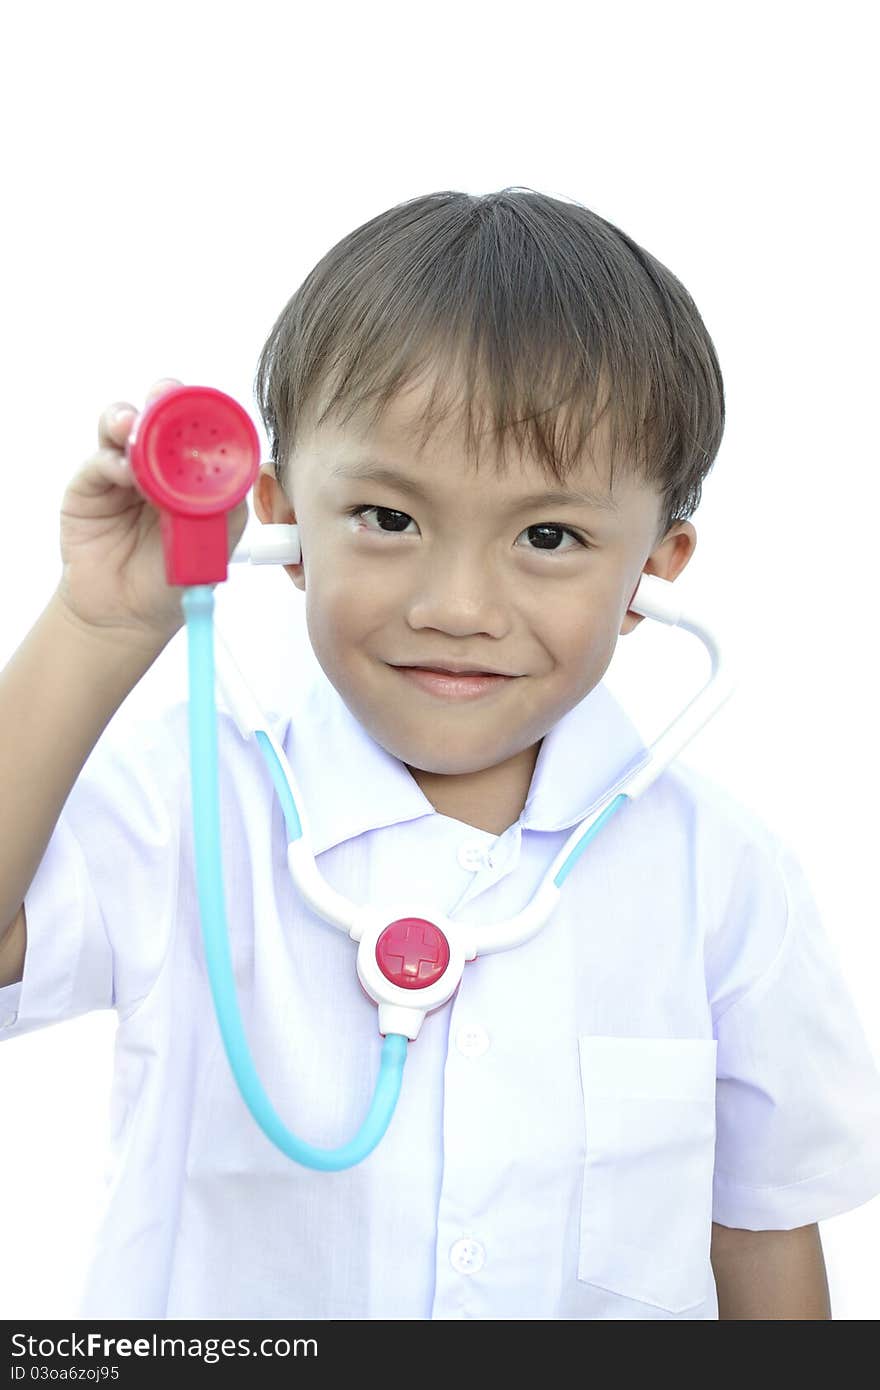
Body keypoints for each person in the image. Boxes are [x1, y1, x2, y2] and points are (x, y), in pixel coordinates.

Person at [2, 187, 879, 1321]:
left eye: (548, 537)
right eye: (387, 517)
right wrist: (100, 625)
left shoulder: (725, 880)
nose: (457, 605)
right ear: (281, 520)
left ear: (653, 570)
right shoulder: (191, 802)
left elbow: (759, 1237)